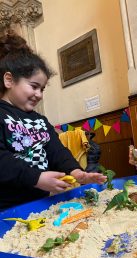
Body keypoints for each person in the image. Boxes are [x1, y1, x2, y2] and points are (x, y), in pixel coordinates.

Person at [0, 32, 106, 210]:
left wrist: (77, 172)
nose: (39, 95)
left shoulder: (40, 121)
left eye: (42, 89)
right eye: (34, 87)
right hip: (8, 207)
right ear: (9, 80)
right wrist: (37, 178)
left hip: (41, 202)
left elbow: (57, 151)